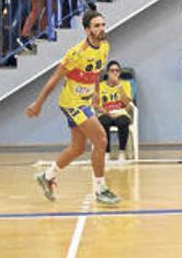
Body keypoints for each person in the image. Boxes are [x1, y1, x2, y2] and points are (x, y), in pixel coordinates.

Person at [26, 10, 121, 205]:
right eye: (96, 26)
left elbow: (96, 72)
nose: (101, 28)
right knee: (101, 139)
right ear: (87, 30)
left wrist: (95, 92)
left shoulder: (104, 47)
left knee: (78, 148)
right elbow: (54, 79)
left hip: (85, 101)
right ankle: (100, 189)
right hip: (72, 103)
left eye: (103, 24)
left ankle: (47, 175)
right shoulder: (76, 53)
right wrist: (38, 104)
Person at [97, 60, 134, 162]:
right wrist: (108, 113)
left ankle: (122, 152)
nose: (115, 73)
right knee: (104, 122)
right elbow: (97, 105)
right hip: (106, 113)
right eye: (112, 70)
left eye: (117, 71)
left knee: (123, 122)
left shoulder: (125, 84)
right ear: (107, 72)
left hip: (121, 113)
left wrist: (119, 86)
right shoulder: (101, 86)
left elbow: (127, 104)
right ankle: (107, 152)